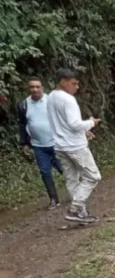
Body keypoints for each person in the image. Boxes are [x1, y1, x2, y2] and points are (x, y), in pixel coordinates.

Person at [47, 68, 101, 223]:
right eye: (74, 83)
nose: (77, 87)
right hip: (75, 146)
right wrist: (91, 123)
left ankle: (81, 214)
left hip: (60, 145)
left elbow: (63, 123)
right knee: (93, 176)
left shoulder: (51, 97)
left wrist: (83, 130)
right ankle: (75, 208)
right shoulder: (68, 99)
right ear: (63, 82)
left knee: (72, 179)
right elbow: (74, 123)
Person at [17, 77, 64, 210]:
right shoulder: (24, 105)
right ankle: (54, 199)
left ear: (42, 88)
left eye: (37, 86)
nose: (35, 89)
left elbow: (62, 119)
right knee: (45, 172)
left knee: (63, 168)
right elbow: (22, 124)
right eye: (32, 87)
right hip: (38, 146)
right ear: (29, 89)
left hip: (56, 143)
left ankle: (77, 192)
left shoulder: (51, 101)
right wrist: (24, 143)